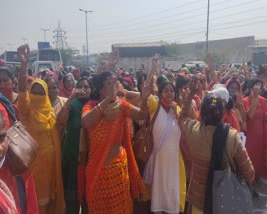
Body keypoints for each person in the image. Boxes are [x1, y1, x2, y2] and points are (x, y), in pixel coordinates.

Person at [178, 79, 254, 214]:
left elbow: (182, 117)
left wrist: (191, 95)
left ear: (202, 111)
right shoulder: (232, 136)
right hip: (223, 202)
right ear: (222, 110)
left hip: (198, 201)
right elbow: (249, 173)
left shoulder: (193, 130)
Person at [81, 71, 150, 214]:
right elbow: (86, 122)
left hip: (118, 168)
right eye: (110, 83)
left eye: (115, 83)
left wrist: (145, 98)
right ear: (100, 88)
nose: (114, 87)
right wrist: (108, 99)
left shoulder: (122, 105)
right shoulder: (90, 106)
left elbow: (142, 115)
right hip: (98, 170)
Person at [17, 45, 65, 214]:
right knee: (37, 204)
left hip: (52, 164)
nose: (37, 95)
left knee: (50, 203)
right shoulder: (27, 112)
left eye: (41, 92)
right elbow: (22, 91)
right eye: (34, 92)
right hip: (34, 166)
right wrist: (24, 65)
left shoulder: (50, 111)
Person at [142, 79, 186, 214]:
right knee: (159, 184)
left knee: (173, 185)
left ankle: (172, 208)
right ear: (160, 93)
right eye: (166, 91)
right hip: (159, 157)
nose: (169, 93)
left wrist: (177, 111)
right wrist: (153, 70)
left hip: (174, 158)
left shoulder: (178, 109)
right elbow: (144, 97)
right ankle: (158, 207)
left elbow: (185, 129)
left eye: (171, 91)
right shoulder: (155, 105)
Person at [57, 78, 92, 214]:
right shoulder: (73, 104)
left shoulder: (95, 106)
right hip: (72, 157)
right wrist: (71, 97)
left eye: (87, 86)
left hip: (90, 158)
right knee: (71, 196)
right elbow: (60, 120)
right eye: (81, 86)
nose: (84, 89)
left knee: (88, 197)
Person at [243, 79, 267, 183]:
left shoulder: (263, 100)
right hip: (250, 135)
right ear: (251, 88)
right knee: (250, 157)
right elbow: (249, 115)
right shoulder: (245, 100)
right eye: (256, 87)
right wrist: (255, 98)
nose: (259, 89)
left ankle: (257, 177)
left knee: (260, 157)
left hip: (261, 134)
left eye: (260, 87)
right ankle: (249, 180)